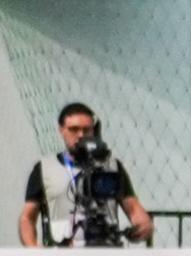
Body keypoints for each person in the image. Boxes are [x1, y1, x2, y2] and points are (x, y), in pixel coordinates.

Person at [19, 101, 150, 248]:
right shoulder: (45, 168)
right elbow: (27, 218)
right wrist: (32, 248)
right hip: (63, 254)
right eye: (73, 129)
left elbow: (133, 208)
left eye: (86, 130)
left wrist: (142, 224)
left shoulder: (112, 166)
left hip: (107, 251)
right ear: (61, 130)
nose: (80, 135)